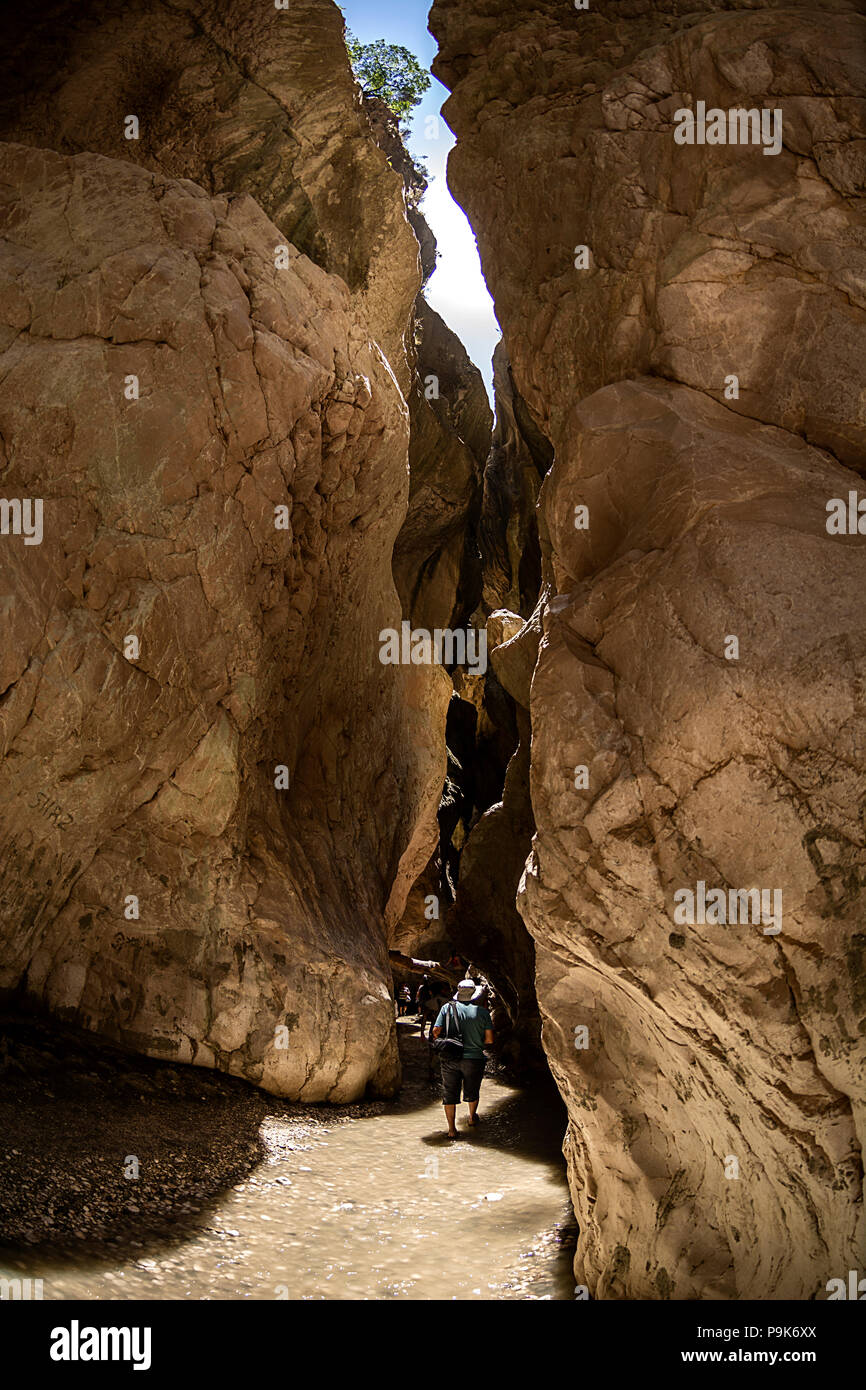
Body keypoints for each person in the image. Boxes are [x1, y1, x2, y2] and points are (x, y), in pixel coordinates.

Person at [432, 978, 493, 1137]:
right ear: (474, 994)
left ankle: (452, 1130)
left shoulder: (447, 1008)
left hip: (450, 1057)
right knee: (472, 1090)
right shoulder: (483, 1013)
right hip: (474, 1058)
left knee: (449, 1093)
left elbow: (436, 1031)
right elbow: (489, 1040)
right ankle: (472, 1118)